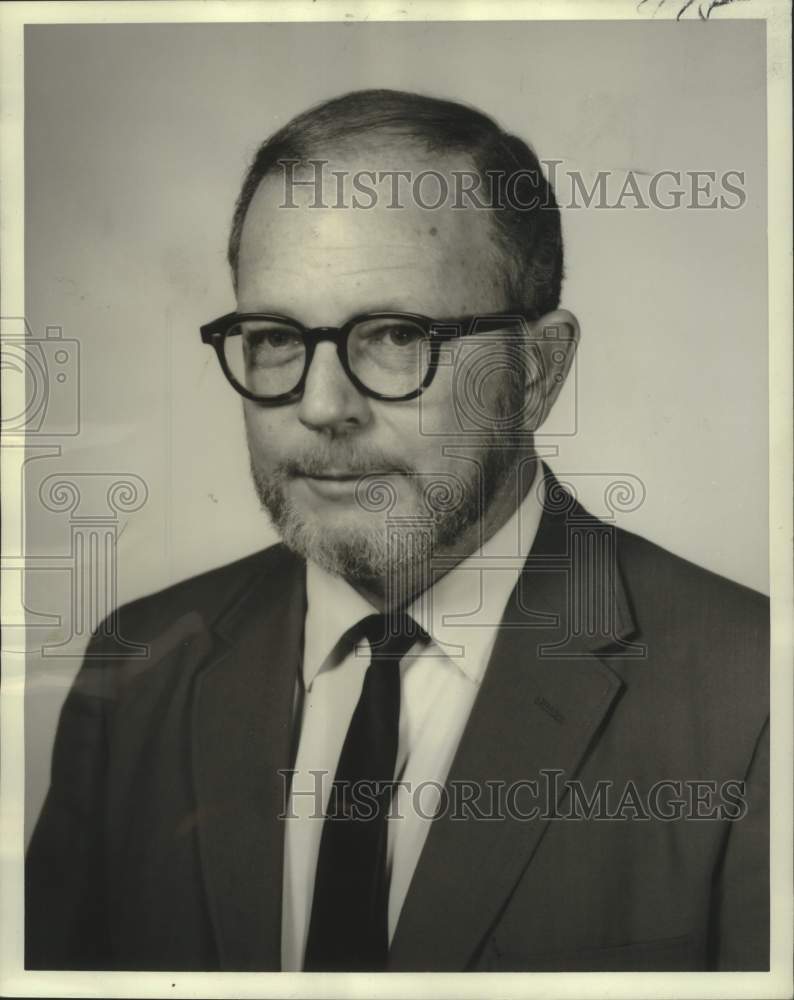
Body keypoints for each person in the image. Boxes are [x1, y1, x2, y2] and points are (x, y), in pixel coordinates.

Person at [26, 89, 769, 973]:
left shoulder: (753, 695)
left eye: (394, 336)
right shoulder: (141, 665)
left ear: (536, 372)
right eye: (274, 337)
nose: (320, 405)